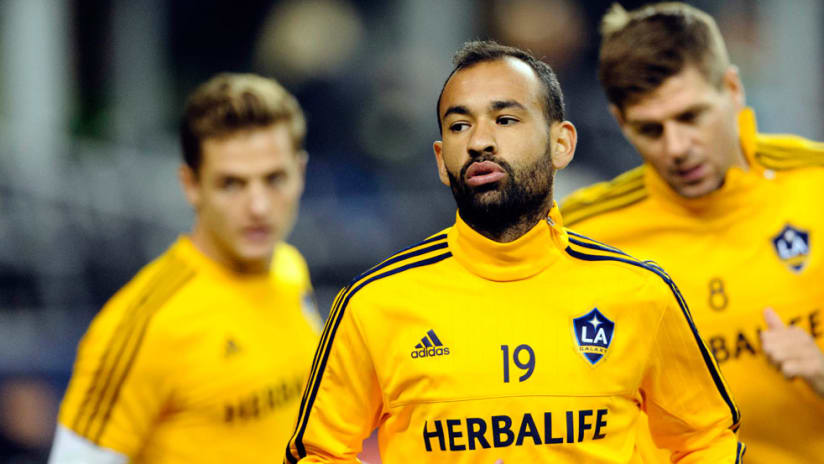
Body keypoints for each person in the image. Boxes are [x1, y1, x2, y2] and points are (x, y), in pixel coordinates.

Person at [284, 40, 743, 464]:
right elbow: (318, 453)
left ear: (561, 143)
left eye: (505, 120)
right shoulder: (372, 305)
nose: (480, 141)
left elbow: (708, 439)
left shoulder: (641, 294)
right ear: (442, 160)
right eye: (460, 125)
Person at [560, 3, 824, 463]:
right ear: (621, 123)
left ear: (733, 89)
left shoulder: (815, 187)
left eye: (691, 116)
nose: (677, 148)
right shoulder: (582, 234)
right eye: (650, 129)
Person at [49, 73, 321, 463]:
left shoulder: (290, 268)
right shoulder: (142, 326)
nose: (259, 206)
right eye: (232, 184)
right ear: (191, 185)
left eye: (275, 179)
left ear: (301, 173)